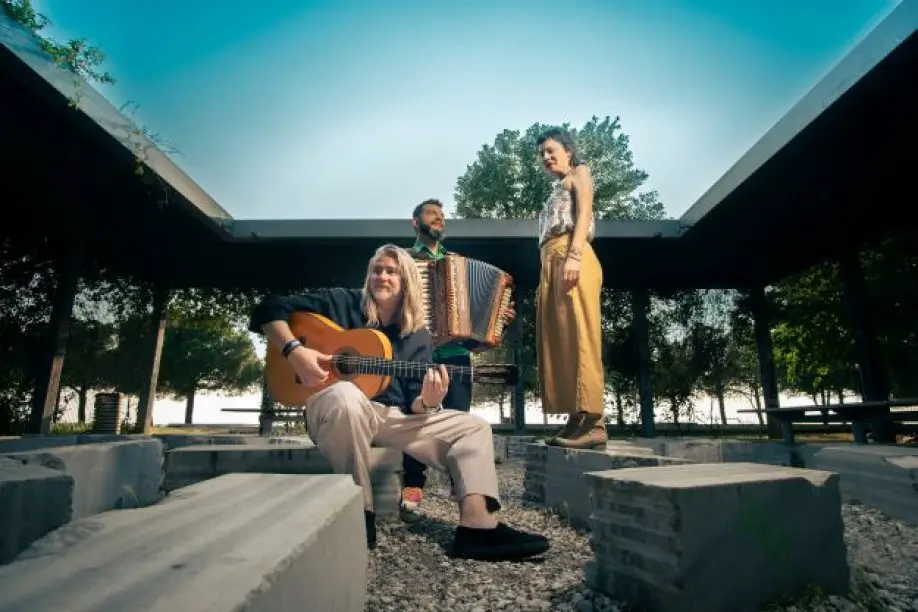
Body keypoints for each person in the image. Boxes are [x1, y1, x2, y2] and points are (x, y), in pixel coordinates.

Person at [248, 244, 548, 561]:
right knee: (347, 395)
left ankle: (478, 528)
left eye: (391, 271)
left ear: (406, 281)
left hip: (390, 416)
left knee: (474, 427)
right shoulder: (341, 301)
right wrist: (294, 350)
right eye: (376, 270)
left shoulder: (417, 335)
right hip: (335, 407)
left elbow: (413, 405)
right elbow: (268, 309)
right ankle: (359, 512)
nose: (382, 276)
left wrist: (428, 401)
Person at [403, 199, 515, 511]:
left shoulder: (456, 262)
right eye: (432, 214)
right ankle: (413, 484)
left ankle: (462, 484)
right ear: (415, 222)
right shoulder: (405, 260)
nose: (439, 218)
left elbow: (482, 319)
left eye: (442, 215)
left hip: (456, 354)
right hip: (418, 351)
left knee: (459, 418)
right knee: (416, 416)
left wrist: (499, 317)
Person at [535, 127, 607, 449]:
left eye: (551, 150)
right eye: (542, 154)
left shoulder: (580, 173)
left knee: (581, 334)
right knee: (559, 340)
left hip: (571, 253)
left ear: (568, 151)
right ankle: (577, 416)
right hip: (551, 260)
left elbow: (585, 212)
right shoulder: (556, 188)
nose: (546, 157)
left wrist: (574, 256)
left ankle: (595, 422)